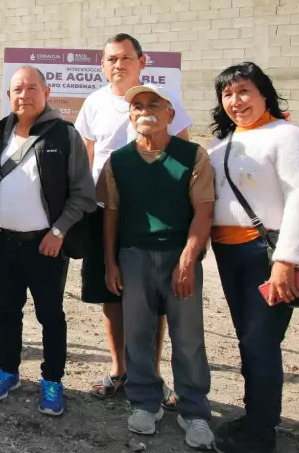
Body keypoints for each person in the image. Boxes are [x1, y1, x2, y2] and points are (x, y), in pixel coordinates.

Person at [75, 33, 192, 405]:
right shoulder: (93, 104)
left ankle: (152, 375)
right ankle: (119, 369)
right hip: (104, 213)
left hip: (155, 219)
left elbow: (184, 154)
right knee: (112, 292)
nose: (118, 65)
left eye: (126, 58)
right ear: (103, 65)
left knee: (154, 298)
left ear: (142, 61)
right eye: (111, 59)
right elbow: (85, 159)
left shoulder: (164, 102)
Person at [207, 63, 299, 453]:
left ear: (263, 94)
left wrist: (287, 260)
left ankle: (261, 434)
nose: (236, 102)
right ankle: (256, 417)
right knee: (248, 339)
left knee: (261, 342)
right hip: (227, 253)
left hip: (265, 255)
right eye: (228, 95)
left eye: (244, 92)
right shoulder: (223, 143)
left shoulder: (286, 137)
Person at [100, 84, 215, 450]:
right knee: (137, 334)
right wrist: (111, 263)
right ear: (130, 116)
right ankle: (145, 402)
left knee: (188, 337)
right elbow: (112, 216)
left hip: (179, 257)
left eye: (154, 105)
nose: (145, 110)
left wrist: (188, 259)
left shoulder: (193, 155)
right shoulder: (118, 160)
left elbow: (203, 211)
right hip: (134, 256)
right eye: (137, 106)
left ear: (170, 114)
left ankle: (193, 409)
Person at [0, 66, 96, 415]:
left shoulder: (65, 135)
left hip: (46, 246)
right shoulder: (0, 133)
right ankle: (8, 371)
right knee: (7, 311)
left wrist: (58, 231)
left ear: (46, 91)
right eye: (17, 89)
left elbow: (83, 195)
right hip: (5, 244)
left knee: (50, 315)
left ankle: (52, 380)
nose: (23, 95)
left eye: (31, 88)